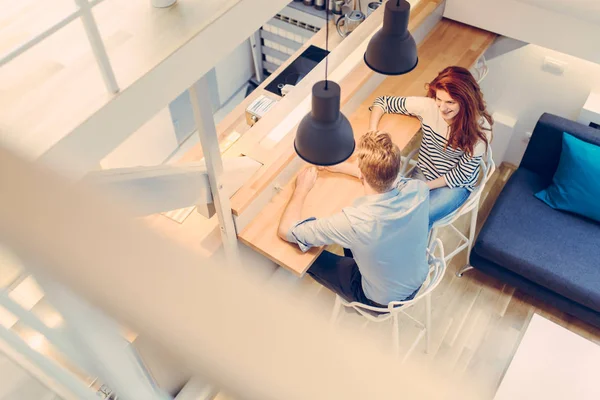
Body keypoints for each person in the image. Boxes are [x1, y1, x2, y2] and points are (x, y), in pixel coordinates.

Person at [277, 131, 430, 307]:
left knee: (305, 257)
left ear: (361, 175)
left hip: (382, 301)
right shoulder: (418, 189)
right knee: (351, 239)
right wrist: (340, 167)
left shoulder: (354, 223)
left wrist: (302, 189)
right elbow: (390, 179)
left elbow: (286, 230)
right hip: (416, 277)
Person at [370, 66, 493, 228]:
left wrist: (424, 187)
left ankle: (405, 252)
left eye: (450, 102)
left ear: (466, 101)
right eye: (439, 99)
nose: (442, 108)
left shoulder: (481, 130)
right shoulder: (429, 107)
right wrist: (372, 132)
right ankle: (395, 251)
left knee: (418, 219)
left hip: (454, 185)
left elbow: (461, 175)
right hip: (425, 172)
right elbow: (382, 102)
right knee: (392, 213)